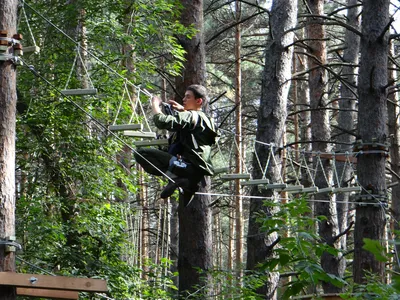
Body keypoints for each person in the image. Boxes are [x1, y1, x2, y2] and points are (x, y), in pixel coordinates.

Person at [134, 84, 219, 199]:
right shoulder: (207, 120)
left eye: (188, 97)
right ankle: (180, 179)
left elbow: (162, 122)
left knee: (140, 153)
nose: (183, 100)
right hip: (195, 170)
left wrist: (155, 104)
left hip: (187, 167)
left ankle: (177, 178)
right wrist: (183, 110)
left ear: (198, 101)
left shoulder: (191, 116)